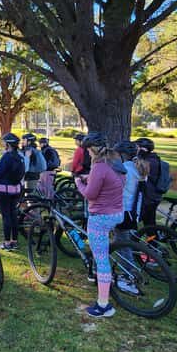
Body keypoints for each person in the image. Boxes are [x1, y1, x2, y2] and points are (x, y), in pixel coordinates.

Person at [75, 132, 126, 318]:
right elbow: (108, 181)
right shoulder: (115, 163)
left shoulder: (99, 166)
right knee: (103, 253)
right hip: (117, 213)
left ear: (92, 150)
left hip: (100, 217)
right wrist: (90, 178)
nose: (88, 155)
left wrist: (78, 183)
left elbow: (90, 194)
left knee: (102, 259)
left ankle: (103, 305)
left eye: (88, 151)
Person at [135, 137, 163, 228]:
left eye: (137, 147)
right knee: (150, 222)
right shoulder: (155, 159)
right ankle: (152, 240)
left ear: (143, 149)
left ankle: (152, 241)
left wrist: (139, 156)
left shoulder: (147, 162)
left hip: (148, 196)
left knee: (147, 223)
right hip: (154, 195)